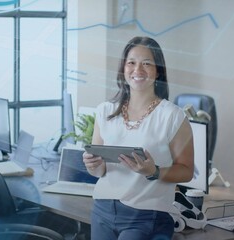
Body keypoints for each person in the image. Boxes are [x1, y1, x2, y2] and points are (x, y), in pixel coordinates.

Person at [83, 36, 194, 240]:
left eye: (147, 64)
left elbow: (186, 172)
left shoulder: (173, 116)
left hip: (145, 215)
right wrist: (93, 165)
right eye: (131, 63)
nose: (138, 70)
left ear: (158, 70)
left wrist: (154, 171)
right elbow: (100, 171)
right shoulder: (104, 111)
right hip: (102, 210)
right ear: (123, 68)